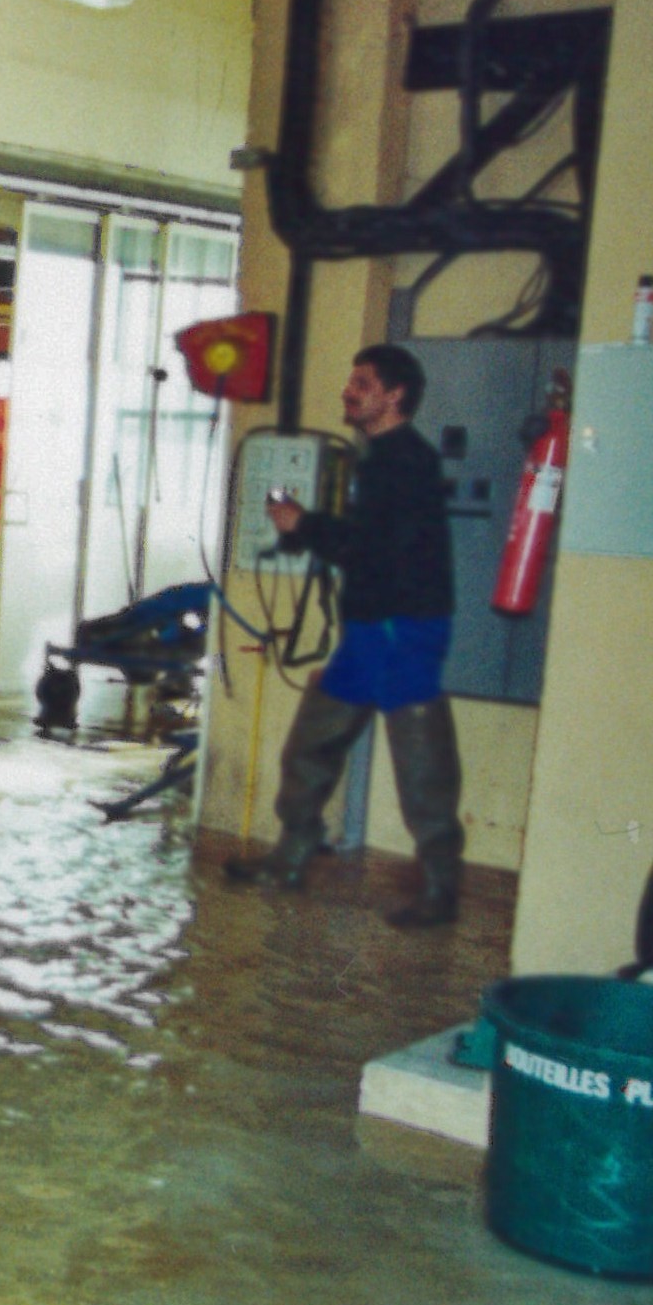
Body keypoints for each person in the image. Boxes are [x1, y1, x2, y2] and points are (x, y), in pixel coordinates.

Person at [228, 343, 468, 928]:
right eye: (351, 381)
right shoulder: (379, 459)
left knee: (422, 765)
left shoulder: (405, 462)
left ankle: (440, 889)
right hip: (369, 630)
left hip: (403, 628)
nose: (348, 391)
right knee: (310, 745)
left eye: (363, 384)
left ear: (395, 396)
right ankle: (290, 857)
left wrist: (305, 525)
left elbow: (379, 551)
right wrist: (308, 527)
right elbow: (371, 542)